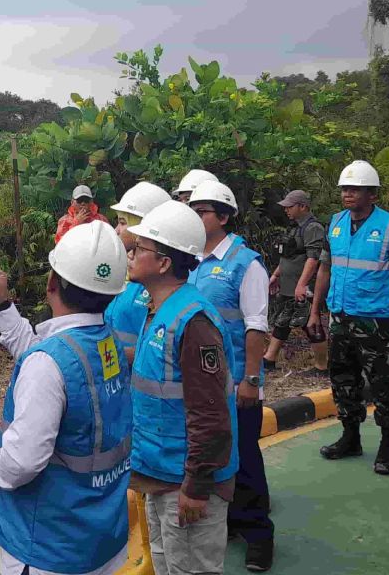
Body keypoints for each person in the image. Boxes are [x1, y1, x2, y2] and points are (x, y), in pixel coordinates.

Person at [0, 221, 132, 575]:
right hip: (98, 541)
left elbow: (21, 464)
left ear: (51, 283)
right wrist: (2, 307)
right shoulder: (109, 343)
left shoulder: (50, 363)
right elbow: (52, 360)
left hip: (46, 550)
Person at [127, 200, 238, 575]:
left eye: (140, 248)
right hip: (161, 474)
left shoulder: (193, 323)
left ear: (163, 263)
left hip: (185, 484)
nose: (130, 252)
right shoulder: (158, 309)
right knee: (166, 565)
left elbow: (210, 412)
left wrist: (196, 485)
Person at [307, 160, 389, 475]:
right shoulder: (336, 223)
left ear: (372, 194)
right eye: (345, 189)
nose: (348, 194)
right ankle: (351, 437)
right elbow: (325, 268)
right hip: (340, 319)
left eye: (355, 189)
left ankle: (387, 446)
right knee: (343, 380)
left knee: (384, 385)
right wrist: (316, 310)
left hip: (376, 321)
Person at [184, 179, 274, 572]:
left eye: (202, 211)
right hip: (201, 384)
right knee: (213, 457)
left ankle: (259, 536)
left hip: (236, 382)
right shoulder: (186, 258)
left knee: (246, 459)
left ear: (223, 217)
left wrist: (250, 379)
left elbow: (256, 325)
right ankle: (233, 523)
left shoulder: (245, 263)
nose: (195, 215)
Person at [105, 181, 173, 364]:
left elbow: (165, 347)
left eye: (122, 222)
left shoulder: (162, 282)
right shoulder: (124, 273)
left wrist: (106, 356)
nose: (116, 230)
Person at [264, 189, 329, 375]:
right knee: (282, 321)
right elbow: (287, 256)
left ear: (303, 206)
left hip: (301, 287)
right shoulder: (295, 227)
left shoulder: (313, 228)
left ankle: (321, 366)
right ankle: (269, 358)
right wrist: (276, 275)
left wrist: (302, 284)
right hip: (288, 284)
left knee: (310, 323)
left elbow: (313, 258)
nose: (286, 210)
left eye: (290, 206)